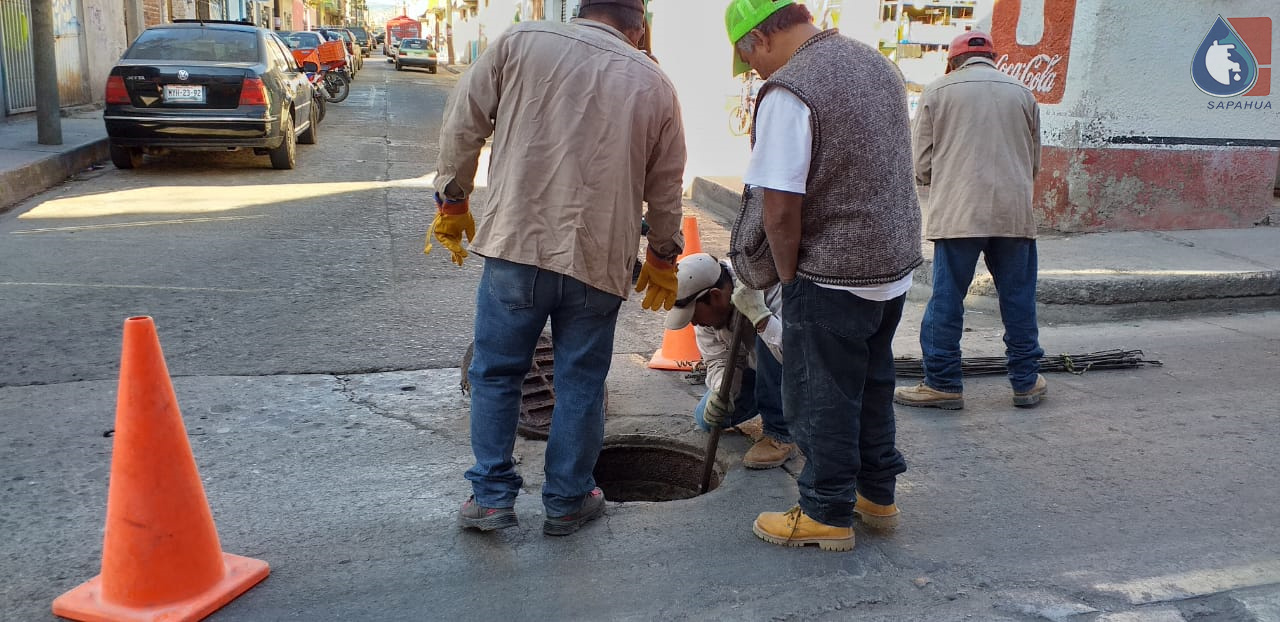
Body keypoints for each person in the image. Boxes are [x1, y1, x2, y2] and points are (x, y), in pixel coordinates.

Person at [429, 0, 686, 536]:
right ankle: (568, 500)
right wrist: (663, 254)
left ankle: (491, 499)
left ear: (581, 10)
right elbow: (666, 186)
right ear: (638, 26)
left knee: (497, 375)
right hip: (599, 259)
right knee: (581, 384)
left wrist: (452, 200)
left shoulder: (520, 41)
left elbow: (462, 125)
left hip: (517, 246)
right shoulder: (656, 83)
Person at [724, 0, 922, 551]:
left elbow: (780, 208)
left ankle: (825, 511)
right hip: (891, 265)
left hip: (831, 270)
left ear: (759, 39)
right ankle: (877, 496)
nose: (757, 75)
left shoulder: (790, 89)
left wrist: (786, 278)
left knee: (820, 395)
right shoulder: (875, 63)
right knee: (873, 384)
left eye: (750, 62)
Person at [894, 31, 1046, 411]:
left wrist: (945, 178)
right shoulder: (1022, 93)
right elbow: (1034, 162)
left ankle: (943, 383)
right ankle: (1026, 383)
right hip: (1013, 214)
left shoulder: (937, 91)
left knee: (947, 300)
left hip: (959, 213)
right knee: (1018, 300)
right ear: (994, 58)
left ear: (952, 61)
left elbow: (920, 165)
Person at [665, 253, 796, 469]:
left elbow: (798, 356)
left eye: (694, 315)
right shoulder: (707, 318)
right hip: (757, 374)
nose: (694, 322)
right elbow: (717, 360)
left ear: (715, 296)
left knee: (766, 342)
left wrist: (762, 319)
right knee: (707, 418)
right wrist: (721, 392)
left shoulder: (770, 284)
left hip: (792, 375)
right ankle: (763, 400)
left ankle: (780, 434)